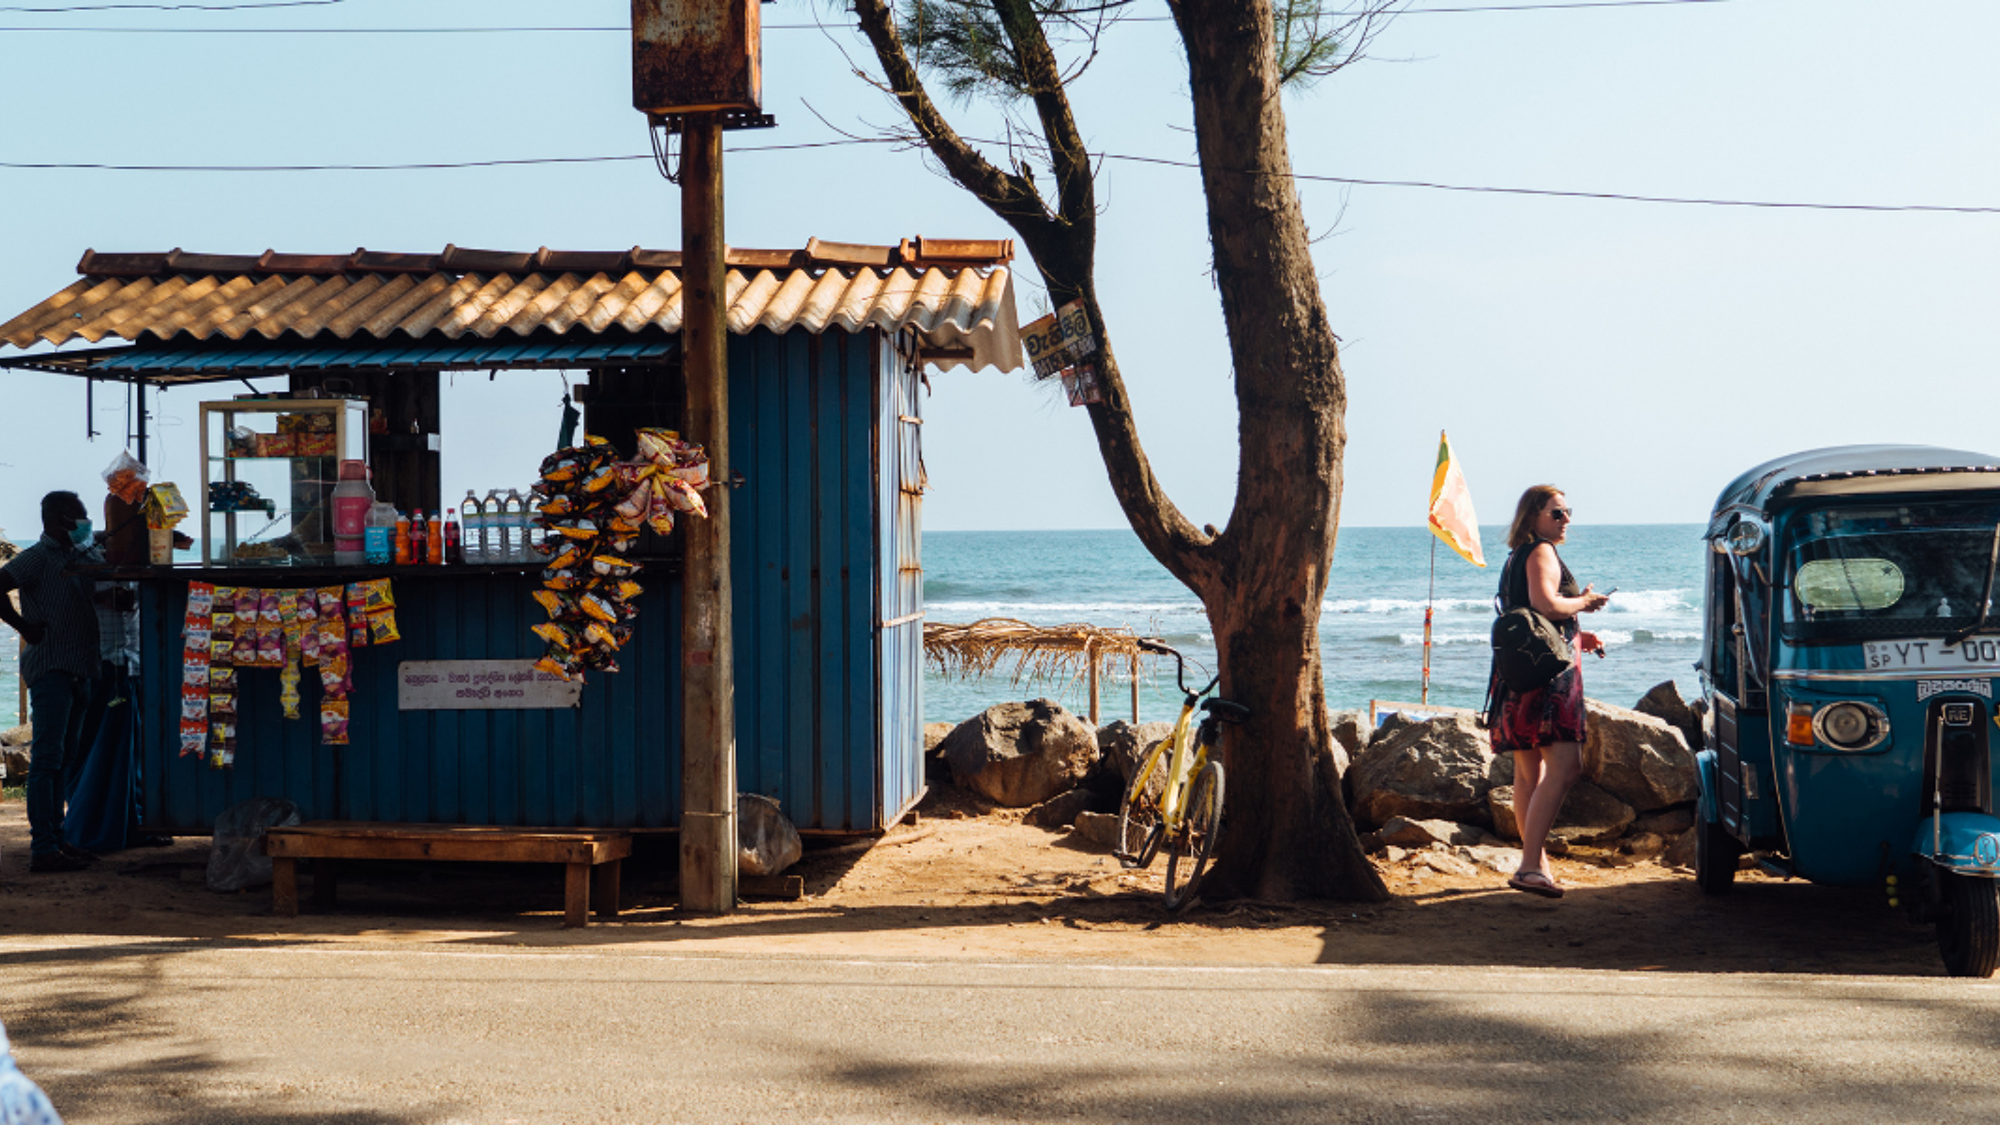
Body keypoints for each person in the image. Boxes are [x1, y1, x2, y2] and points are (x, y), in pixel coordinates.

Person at [1489, 485, 1610, 899]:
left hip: (1520, 674)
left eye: (1567, 512)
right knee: (1565, 768)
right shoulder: (1541, 551)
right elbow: (1545, 604)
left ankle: (1535, 864)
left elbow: (1533, 612)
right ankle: (1528, 867)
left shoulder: (1516, 556)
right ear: (1533, 517)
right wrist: (1585, 602)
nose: (1565, 520)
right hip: (1547, 679)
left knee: (1529, 775)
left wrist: (1580, 635)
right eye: (1556, 513)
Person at [0, 492, 103, 874]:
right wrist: (24, 627)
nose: (85, 524)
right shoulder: (38, 557)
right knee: (46, 761)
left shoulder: (76, 556)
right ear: (61, 519)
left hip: (80, 667)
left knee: (64, 760)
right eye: (81, 518)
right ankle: (43, 847)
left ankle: (57, 841)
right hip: (52, 669)